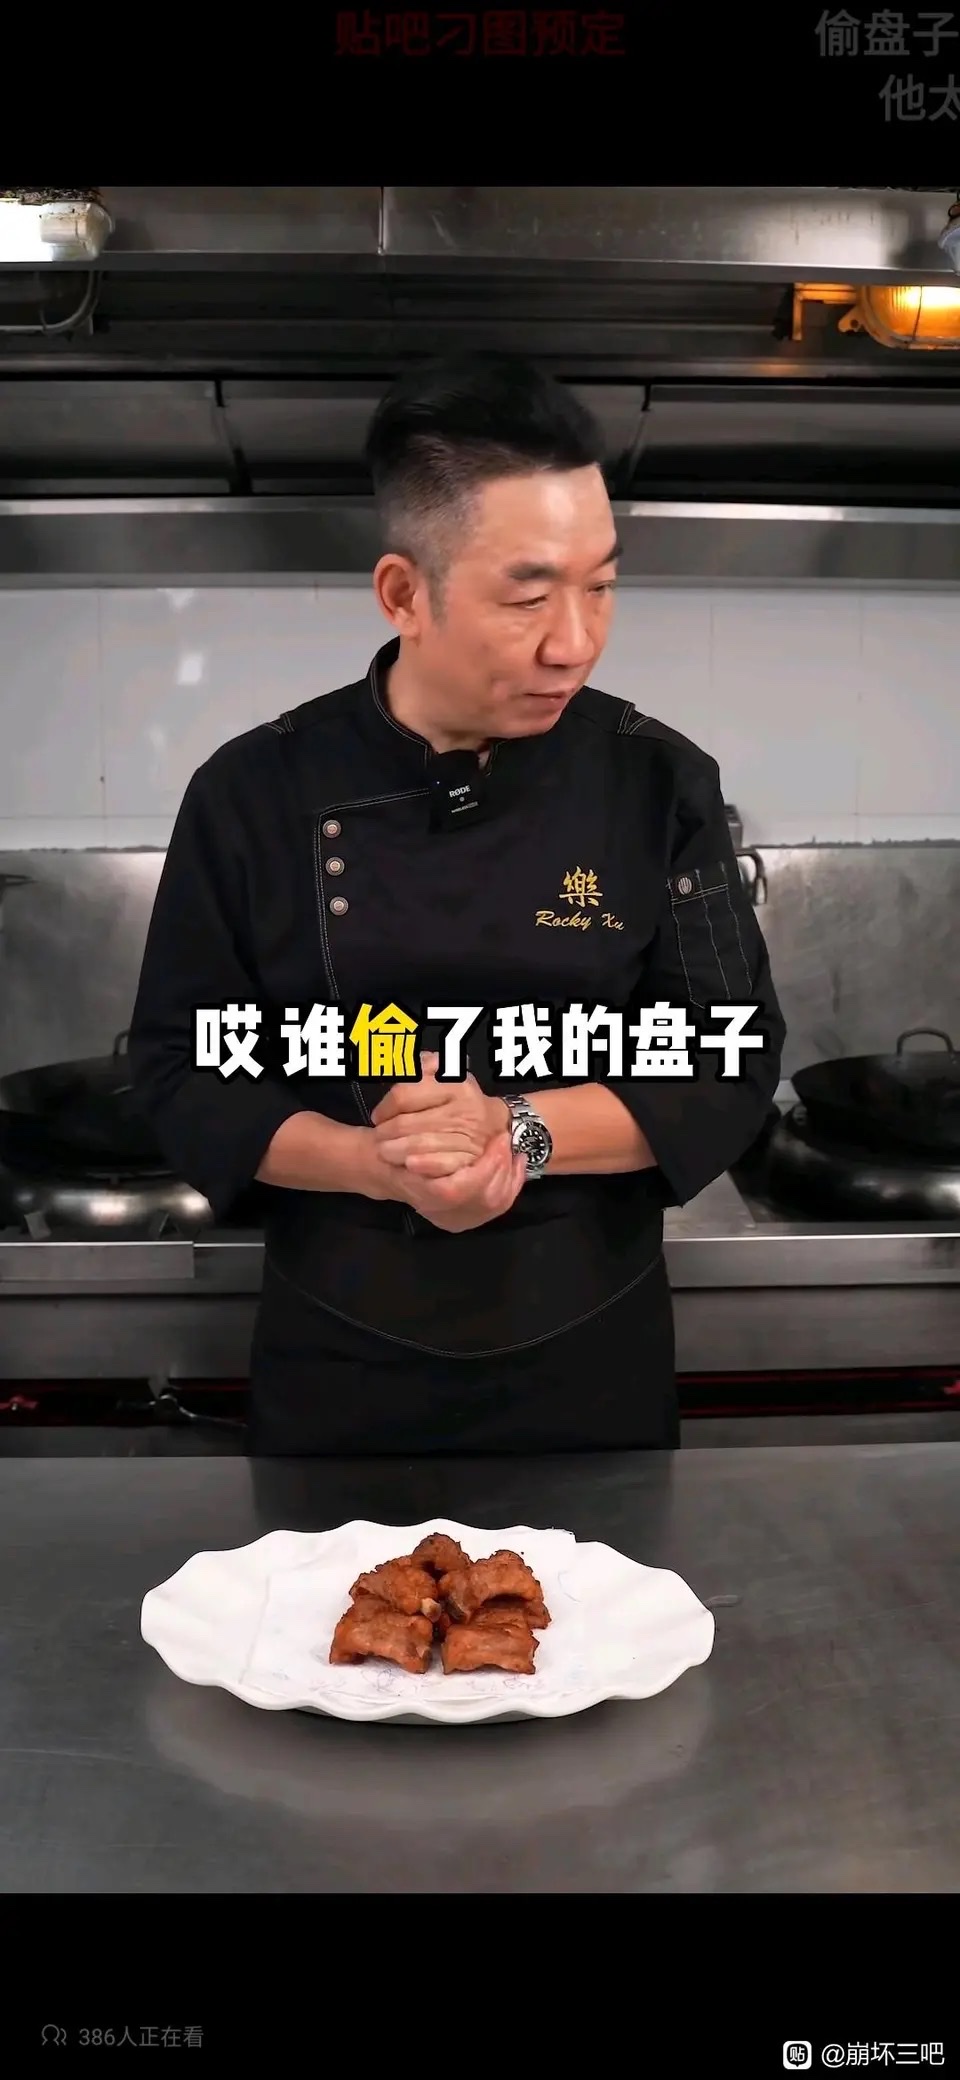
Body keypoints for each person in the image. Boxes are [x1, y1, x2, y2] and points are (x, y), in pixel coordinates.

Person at [128, 352, 785, 1456]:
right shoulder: (253, 793)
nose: (575, 641)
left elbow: (730, 1057)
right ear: (404, 594)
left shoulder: (659, 782)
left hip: (591, 1354)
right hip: (338, 1354)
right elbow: (179, 1067)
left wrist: (515, 1130)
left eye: (601, 585)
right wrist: (373, 1163)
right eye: (528, 597)